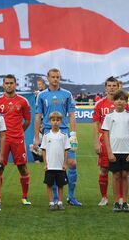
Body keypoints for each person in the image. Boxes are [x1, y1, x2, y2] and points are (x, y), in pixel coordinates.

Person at [34, 68, 81, 206]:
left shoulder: (67, 94)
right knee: (53, 166)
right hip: (48, 133)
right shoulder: (42, 95)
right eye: (53, 77)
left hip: (65, 133)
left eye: (58, 77)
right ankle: (55, 198)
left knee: (72, 163)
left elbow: (72, 115)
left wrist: (73, 134)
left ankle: (71, 197)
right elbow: (38, 117)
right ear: (48, 78)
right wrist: (36, 137)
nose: (55, 79)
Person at [92, 76, 129, 206]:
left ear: (118, 87)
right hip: (105, 142)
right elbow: (96, 124)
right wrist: (97, 142)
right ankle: (104, 197)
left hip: (121, 143)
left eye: (114, 86)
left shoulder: (125, 104)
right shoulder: (100, 104)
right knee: (104, 169)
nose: (112, 88)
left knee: (120, 171)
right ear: (105, 87)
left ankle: (120, 197)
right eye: (109, 86)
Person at [0, 75, 32, 205]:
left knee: (22, 168)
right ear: (3, 85)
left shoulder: (22, 101)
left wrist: (19, 131)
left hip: (17, 139)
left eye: (11, 83)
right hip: (3, 140)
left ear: (15, 84)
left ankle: (25, 196)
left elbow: (28, 120)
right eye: (7, 83)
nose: (9, 85)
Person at [101, 90, 129, 212]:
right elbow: (106, 135)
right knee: (116, 175)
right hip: (114, 151)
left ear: (126, 102)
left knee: (125, 175)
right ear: (114, 101)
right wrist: (110, 152)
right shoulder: (109, 116)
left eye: (122, 99)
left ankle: (125, 202)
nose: (120, 101)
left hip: (126, 151)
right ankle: (116, 202)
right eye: (117, 99)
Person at [41, 112, 70, 211]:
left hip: (60, 166)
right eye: (53, 120)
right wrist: (45, 164)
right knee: (49, 184)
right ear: (50, 121)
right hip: (50, 166)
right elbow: (44, 150)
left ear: (61, 121)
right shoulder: (46, 135)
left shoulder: (64, 135)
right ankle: (51, 202)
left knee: (60, 185)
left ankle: (60, 202)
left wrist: (65, 163)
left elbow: (66, 150)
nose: (55, 122)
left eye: (57, 120)